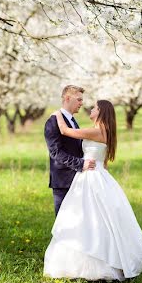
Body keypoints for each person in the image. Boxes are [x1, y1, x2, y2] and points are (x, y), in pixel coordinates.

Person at [43, 99, 142, 281]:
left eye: (95, 107)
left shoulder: (97, 131)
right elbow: (104, 161)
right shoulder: (105, 131)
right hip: (97, 174)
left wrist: (57, 114)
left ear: (101, 112)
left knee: (88, 217)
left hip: (90, 176)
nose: (91, 109)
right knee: (97, 217)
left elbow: (66, 131)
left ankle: (95, 262)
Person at [44, 84, 95, 216]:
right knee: (63, 221)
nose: (81, 103)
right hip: (63, 181)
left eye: (82, 100)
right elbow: (55, 152)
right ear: (67, 98)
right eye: (79, 99)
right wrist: (80, 164)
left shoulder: (72, 121)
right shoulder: (53, 121)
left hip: (78, 178)